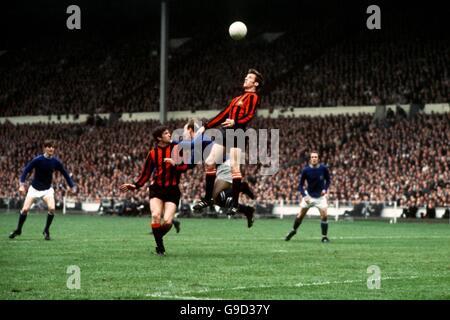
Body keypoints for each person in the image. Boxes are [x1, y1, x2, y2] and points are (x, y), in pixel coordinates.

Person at [194, 69, 263, 215]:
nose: (246, 78)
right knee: (210, 161)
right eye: (246, 76)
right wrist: (206, 126)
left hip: (238, 132)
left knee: (234, 167)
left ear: (255, 83)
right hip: (226, 132)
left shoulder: (253, 97)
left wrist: (235, 121)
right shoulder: (237, 98)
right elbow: (223, 115)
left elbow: (249, 115)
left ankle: (235, 204)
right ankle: (207, 198)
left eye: (249, 77)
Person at [120, 126, 188, 256]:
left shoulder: (177, 149)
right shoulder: (152, 153)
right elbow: (145, 174)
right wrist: (135, 185)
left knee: (168, 222)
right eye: (166, 133)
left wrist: (175, 164)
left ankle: (158, 238)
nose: (169, 135)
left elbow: (185, 167)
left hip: (172, 190)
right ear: (159, 138)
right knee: (156, 215)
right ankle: (160, 248)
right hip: (157, 189)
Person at [180, 119, 256, 227]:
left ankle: (242, 187)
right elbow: (190, 165)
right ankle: (247, 210)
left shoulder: (201, 138)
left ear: (190, 130)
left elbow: (191, 145)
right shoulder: (197, 143)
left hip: (225, 164)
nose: (183, 134)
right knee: (219, 200)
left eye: (184, 131)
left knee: (216, 198)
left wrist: (171, 143)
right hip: (221, 168)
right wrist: (174, 165)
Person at [9, 139, 75, 240]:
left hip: (47, 190)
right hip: (34, 189)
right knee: (25, 209)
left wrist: (72, 186)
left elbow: (65, 173)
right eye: (49, 146)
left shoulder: (56, 162)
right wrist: (22, 185)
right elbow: (26, 171)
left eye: (53, 147)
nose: (51, 148)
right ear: (44, 148)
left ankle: (46, 230)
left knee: (52, 208)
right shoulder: (38, 160)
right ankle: (18, 230)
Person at [285, 151, 331, 242]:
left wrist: (325, 189)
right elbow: (300, 185)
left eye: (316, 157)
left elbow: (328, 180)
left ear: (318, 158)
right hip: (309, 196)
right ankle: (293, 230)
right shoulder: (306, 170)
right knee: (300, 216)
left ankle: (324, 237)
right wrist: (304, 195)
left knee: (325, 216)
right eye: (312, 157)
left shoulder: (324, 168)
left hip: (320, 198)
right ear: (310, 159)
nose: (314, 158)